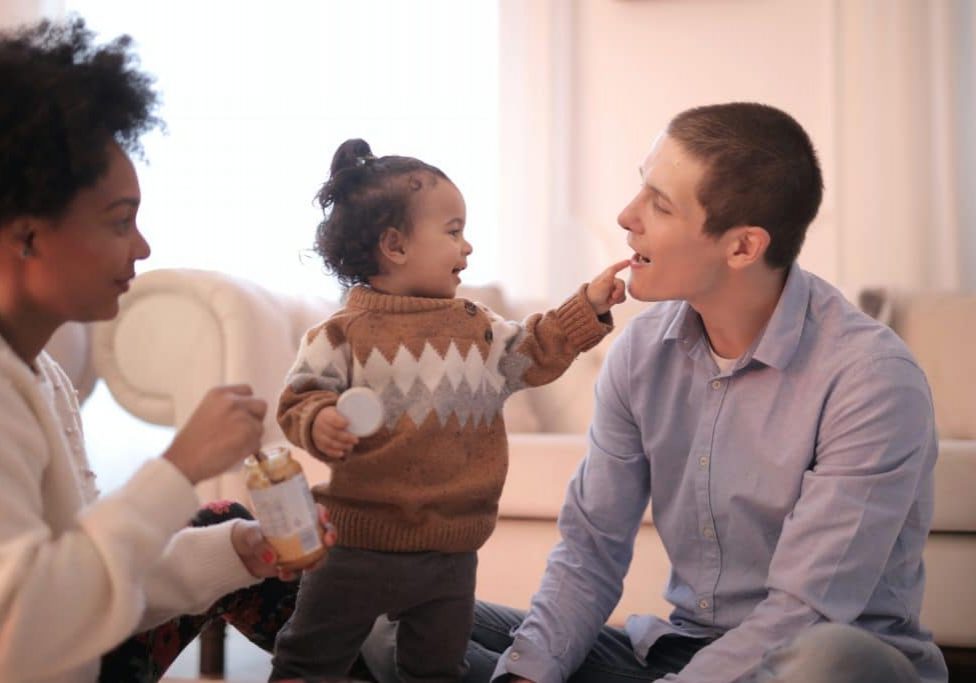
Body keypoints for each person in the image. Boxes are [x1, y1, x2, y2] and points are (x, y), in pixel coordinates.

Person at [365, 102, 948, 682]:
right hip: (677, 655)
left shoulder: (870, 379)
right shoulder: (641, 351)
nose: (626, 216)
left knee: (826, 662)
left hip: (810, 661)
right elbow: (590, 549)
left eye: (659, 205)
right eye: (641, 188)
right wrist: (526, 677)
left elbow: (802, 614)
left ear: (742, 247)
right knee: (393, 621)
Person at [0, 17, 336, 683]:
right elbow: (22, 630)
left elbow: (94, 571)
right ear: (29, 236)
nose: (143, 247)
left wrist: (238, 551)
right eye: (119, 221)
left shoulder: (43, 377)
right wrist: (178, 465)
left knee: (232, 523)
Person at [269, 138, 629, 682]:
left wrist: (588, 307)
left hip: (450, 552)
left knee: (438, 670)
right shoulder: (342, 334)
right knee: (309, 659)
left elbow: (535, 349)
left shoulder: (475, 327)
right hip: (357, 546)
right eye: (454, 232)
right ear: (395, 246)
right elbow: (300, 397)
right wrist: (320, 420)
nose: (467, 248)